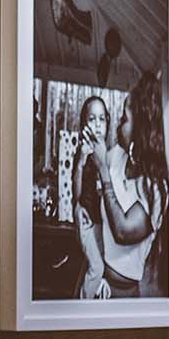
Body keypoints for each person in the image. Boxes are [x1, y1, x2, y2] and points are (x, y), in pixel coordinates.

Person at [77, 70, 169, 298]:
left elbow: (123, 231)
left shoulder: (156, 188)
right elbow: (87, 191)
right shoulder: (117, 156)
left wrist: (103, 172)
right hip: (95, 278)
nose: (118, 123)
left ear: (142, 127)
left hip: (122, 293)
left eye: (125, 119)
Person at [73, 96, 111, 299]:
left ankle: (94, 287)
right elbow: (77, 196)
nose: (97, 125)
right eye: (92, 119)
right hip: (86, 220)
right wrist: (81, 161)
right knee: (96, 267)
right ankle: (82, 307)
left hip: (102, 224)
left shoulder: (109, 155)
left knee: (99, 266)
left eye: (102, 119)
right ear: (84, 124)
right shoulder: (83, 153)